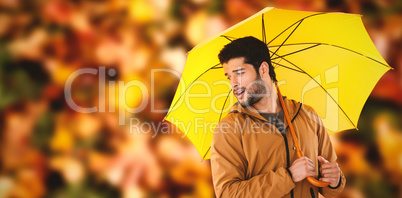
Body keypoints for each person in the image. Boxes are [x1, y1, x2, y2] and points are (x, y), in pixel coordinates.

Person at [210, 36, 346, 198]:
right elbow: (227, 194)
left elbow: (329, 188)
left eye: (239, 73)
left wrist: (335, 180)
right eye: (229, 77)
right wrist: (288, 176)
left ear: (263, 69)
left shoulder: (308, 114)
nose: (233, 84)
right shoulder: (229, 129)